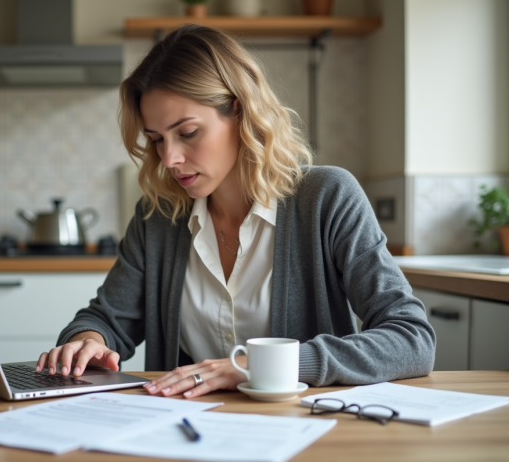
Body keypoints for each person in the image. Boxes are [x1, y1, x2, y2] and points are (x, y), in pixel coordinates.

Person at [36, 25, 435, 399]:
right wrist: (86, 340)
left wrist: (253, 366)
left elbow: (412, 339)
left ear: (241, 112)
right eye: (157, 139)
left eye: (187, 133)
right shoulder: (156, 216)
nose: (170, 158)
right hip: (185, 430)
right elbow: (108, 319)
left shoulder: (327, 197)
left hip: (310, 432)